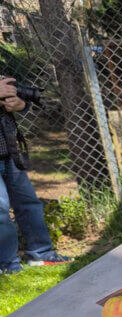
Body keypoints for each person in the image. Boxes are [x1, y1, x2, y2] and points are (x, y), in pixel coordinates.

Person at [0, 77, 70, 274]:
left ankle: (41, 253)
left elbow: (23, 105)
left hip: (9, 152)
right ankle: (7, 263)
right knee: (1, 209)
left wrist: (19, 104)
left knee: (28, 203)